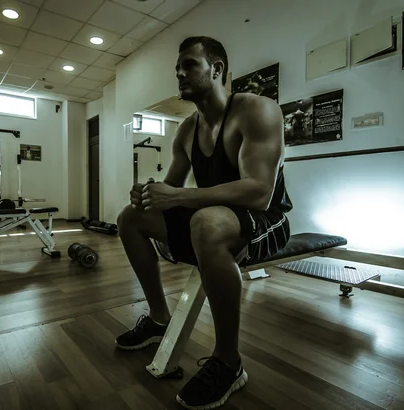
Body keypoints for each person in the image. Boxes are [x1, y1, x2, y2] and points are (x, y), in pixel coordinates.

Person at [115, 36, 293, 409]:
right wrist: (148, 194)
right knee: (131, 219)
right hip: (213, 218)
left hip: (267, 220)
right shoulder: (186, 130)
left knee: (205, 224)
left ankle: (229, 362)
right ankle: (160, 318)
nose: (179, 73)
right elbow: (172, 189)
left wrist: (177, 198)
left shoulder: (258, 111)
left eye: (189, 65)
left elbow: (260, 192)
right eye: (177, 67)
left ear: (217, 70)